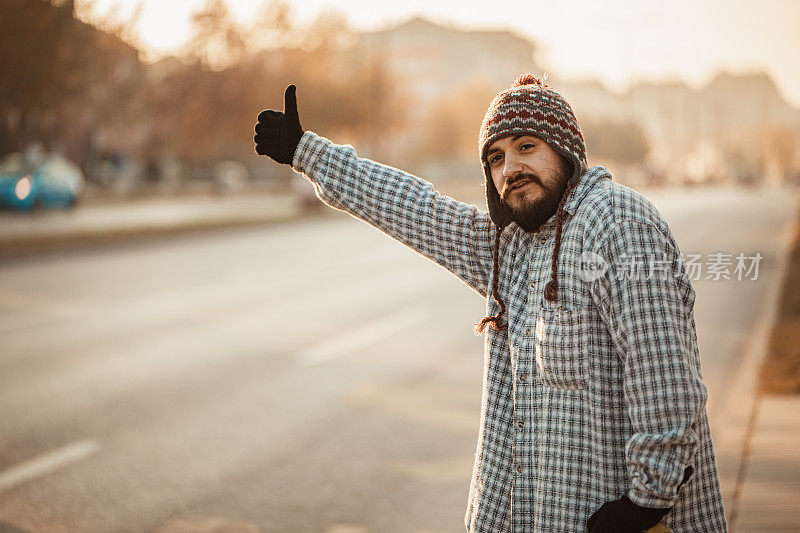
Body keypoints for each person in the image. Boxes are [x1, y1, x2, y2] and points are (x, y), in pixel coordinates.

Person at [254, 75, 728, 532]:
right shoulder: (514, 247)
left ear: (564, 151)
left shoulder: (615, 221)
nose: (510, 169)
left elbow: (663, 375)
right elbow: (417, 209)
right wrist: (307, 152)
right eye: (495, 158)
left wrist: (642, 505)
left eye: (526, 147)